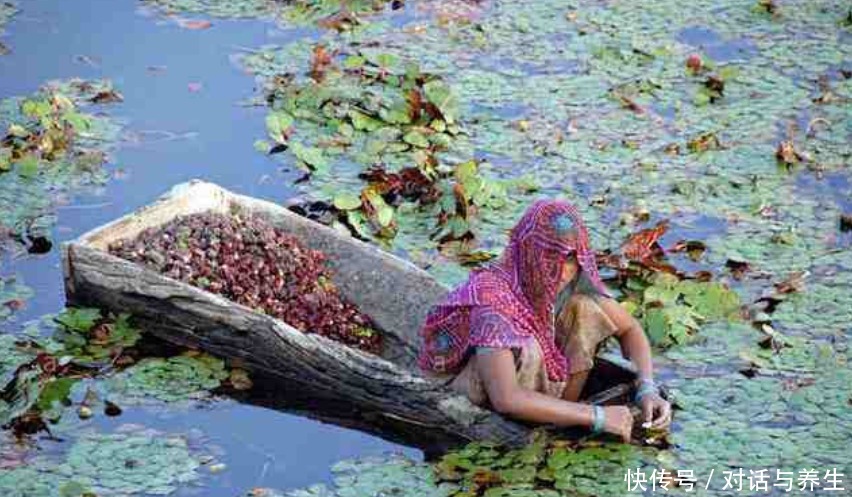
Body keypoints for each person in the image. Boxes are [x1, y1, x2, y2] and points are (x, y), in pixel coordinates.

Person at [418, 199, 671, 442]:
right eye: (550, 257)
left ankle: (563, 414)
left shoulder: (572, 284)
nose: (562, 271)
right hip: (483, 394)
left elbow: (630, 329)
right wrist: (597, 415)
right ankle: (566, 415)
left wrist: (646, 387)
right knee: (528, 345)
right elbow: (506, 399)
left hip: (548, 395)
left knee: (585, 309)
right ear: (528, 252)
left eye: (570, 259)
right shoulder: (492, 302)